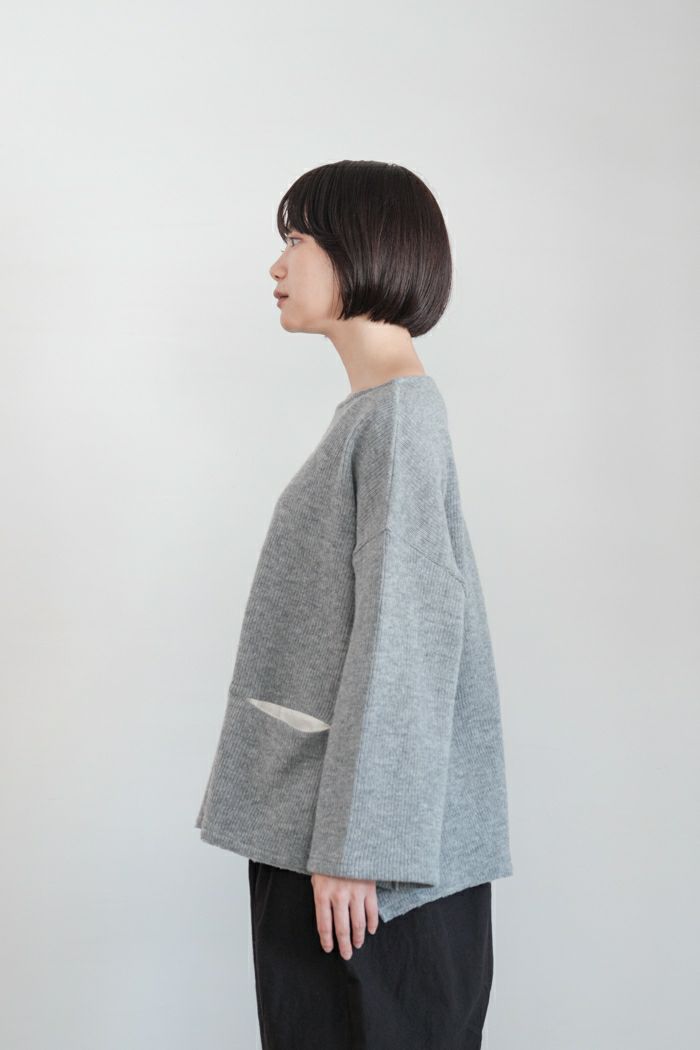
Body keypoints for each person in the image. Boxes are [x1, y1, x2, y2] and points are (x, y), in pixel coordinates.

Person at [195, 159, 514, 1049]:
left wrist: (358, 846)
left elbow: (405, 641)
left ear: (359, 248)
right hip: (336, 846)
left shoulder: (399, 421)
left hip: (361, 871)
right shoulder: (377, 416)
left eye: (296, 240)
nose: (277, 265)